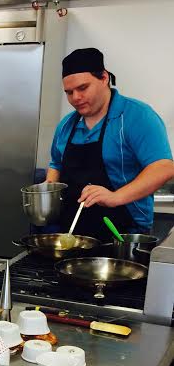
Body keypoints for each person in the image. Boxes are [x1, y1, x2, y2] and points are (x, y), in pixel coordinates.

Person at [47, 47, 174, 240]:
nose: (76, 98)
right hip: (73, 233)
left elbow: (163, 167)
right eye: (69, 92)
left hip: (123, 235)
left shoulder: (137, 116)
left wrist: (115, 197)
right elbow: (56, 163)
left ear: (104, 78)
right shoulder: (66, 125)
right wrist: (48, 191)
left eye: (83, 88)